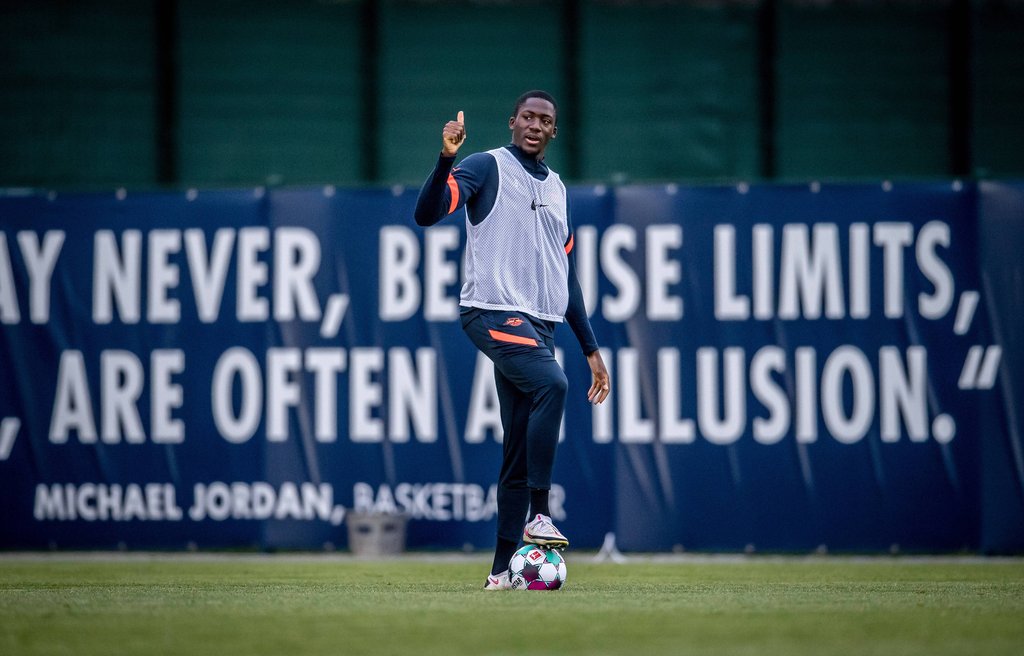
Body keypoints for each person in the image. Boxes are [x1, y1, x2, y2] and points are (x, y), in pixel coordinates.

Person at [414, 90, 610, 590]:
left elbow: (567, 277)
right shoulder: (487, 166)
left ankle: (501, 573)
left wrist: (590, 349)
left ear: (553, 131)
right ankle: (540, 514)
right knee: (554, 386)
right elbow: (428, 212)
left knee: (518, 448)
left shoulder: (559, 189)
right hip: (492, 309)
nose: (535, 125)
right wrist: (446, 157)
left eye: (545, 119)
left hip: (538, 324)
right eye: (528, 116)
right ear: (513, 121)